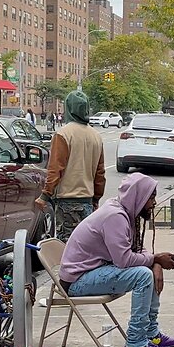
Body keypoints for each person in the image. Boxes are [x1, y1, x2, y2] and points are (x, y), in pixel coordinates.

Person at [58, 173, 174, 347]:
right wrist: (154, 259)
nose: (154, 203)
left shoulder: (125, 212)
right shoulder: (115, 216)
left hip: (91, 272)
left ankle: (150, 333)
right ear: (137, 197)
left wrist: (155, 262)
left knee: (147, 269)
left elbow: (136, 248)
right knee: (142, 275)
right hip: (77, 281)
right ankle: (135, 344)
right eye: (151, 197)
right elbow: (123, 260)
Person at [36, 90, 106, 241]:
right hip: (87, 202)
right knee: (85, 247)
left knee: (66, 249)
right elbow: (100, 174)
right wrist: (96, 199)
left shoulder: (63, 134)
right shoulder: (96, 137)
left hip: (67, 202)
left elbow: (55, 170)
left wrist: (44, 195)